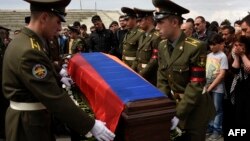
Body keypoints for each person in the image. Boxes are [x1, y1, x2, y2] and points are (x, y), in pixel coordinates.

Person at [2, 0, 115, 141]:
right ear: (44, 17)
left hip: (32, 119)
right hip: (29, 126)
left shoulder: (27, 41)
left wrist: (58, 76)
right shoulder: (30, 50)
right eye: (57, 22)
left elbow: (44, 67)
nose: (60, 28)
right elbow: (53, 97)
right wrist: (91, 125)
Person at [152, 0, 215, 141]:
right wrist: (165, 108)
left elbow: (196, 85)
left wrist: (178, 114)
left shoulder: (195, 47)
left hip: (195, 111)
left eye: (160, 22)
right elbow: (162, 79)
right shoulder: (162, 46)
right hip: (174, 107)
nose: (156, 27)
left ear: (175, 22)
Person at [205, 34, 228, 140]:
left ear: (219, 44)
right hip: (208, 85)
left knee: (217, 109)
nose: (211, 47)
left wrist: (211, 86)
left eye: (214, 44)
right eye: (210, 45)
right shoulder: (209, 55)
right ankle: (210, 127)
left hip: (217, 88)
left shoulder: (222, 56)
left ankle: (217, 130)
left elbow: (222, 75)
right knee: (210, 108)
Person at [131, 7, 161, 86]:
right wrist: (131, 70)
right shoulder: (142, 36)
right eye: (138, 21)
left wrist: (142, 74)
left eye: (140, 21)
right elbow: (138, 57)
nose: (138, 24)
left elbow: (154, 60)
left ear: (148, 20)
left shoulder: (157, 36)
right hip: (140, 75)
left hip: (150, 78)